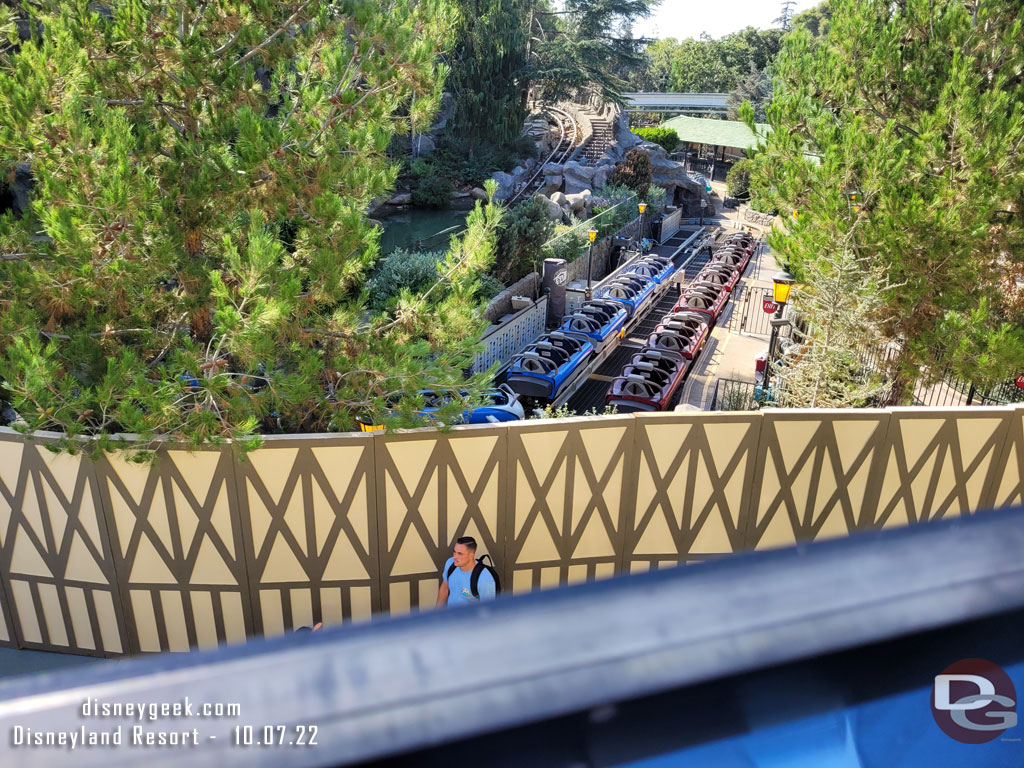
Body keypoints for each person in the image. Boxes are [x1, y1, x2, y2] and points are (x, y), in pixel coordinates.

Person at [436, 536, 497, 606]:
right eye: (454, 552)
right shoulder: (450, 563)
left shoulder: (485, 580)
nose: (455, 557)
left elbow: (488, 610)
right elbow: (445, 588)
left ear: (471, 556)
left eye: (460, 554)